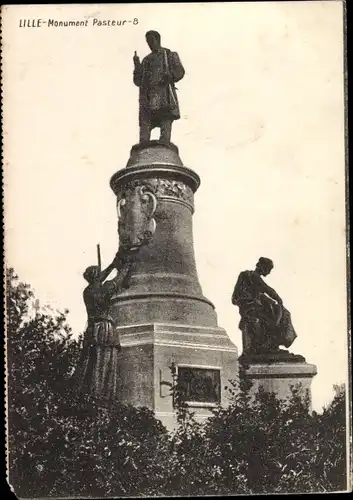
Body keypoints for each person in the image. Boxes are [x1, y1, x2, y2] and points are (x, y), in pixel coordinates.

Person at [75, 248, 136, 400]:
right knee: (104, 361)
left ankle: (93, 394)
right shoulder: (105, 288)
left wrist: (113, 264)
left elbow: (101, 278)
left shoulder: (88, 291)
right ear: (96, 277)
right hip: (104, 329)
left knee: (93, 362)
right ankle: (101, 395)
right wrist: (127, 264)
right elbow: (118, 280)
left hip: (93, 330)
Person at [232, 257, 297, 354]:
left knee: (279, 313)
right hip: (250, 308)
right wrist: (278, 299)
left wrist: (271, 301)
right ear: (262, 267)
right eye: (268, 269)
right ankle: (269, 346)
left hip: (252, 307)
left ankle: (270, 346)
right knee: (277, 317)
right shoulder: (251, 276)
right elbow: (266, 289)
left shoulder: (248, 276)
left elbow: (261, 293)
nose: (269, 272)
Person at [133, 30, 185, 144]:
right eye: (148, 41)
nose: (150, 44)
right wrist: (137, 65)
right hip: (147, 99)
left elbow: (180, 71)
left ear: (157, 40)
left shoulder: (169, 55)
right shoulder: (146, 60)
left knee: (165, 122)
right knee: (145, 128)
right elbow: (138, 81)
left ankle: (165, 143)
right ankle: (143, 145)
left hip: (163, 96)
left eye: (151, 40)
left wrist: (170, 76)